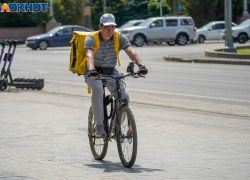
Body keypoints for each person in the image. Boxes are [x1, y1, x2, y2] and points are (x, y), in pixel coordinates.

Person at [84, 13, 148, 137]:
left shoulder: (119, 37)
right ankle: (99, 126)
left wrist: (141, 65)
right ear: (100, 26)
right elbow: (89, 55)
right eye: (107, 26)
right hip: (94, 72)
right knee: (97, 89)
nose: (110, 29)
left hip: (111, 72)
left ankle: (116, 126)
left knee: (124, 96)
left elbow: (131, 51)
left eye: (112, 26)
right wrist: (92, 70)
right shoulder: (91, 38)